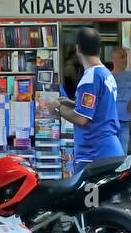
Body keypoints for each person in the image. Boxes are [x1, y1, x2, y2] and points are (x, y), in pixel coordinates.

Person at [45, 27, 120, 167]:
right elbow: (99, 108)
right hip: (108, 150)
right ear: (99, 48)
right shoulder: (105, 74)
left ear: (77, 49)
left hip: (95, 155)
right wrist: (71, 103)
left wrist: (57, 108)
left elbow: (81, 118)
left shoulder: (90, 78)